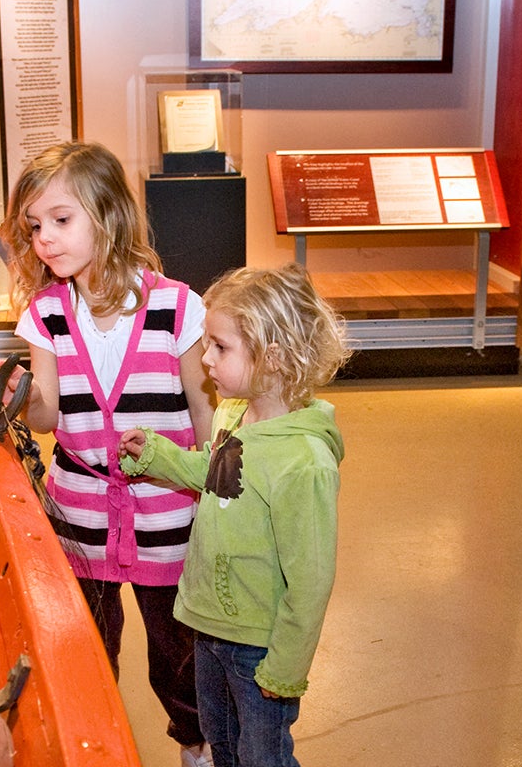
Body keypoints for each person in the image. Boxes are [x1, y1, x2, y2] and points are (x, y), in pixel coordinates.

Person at [0, 141, 216, 767]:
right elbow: (47, 418)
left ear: (110, 216)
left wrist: (218, 497)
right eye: (34, 226)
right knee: (89, 651)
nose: (45, 239)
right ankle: (95, 750)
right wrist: (21, 399)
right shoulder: (46, 314)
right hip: (80, 516)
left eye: (62, 220)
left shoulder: (177, 307)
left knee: (178, 655)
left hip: (168, 518)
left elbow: (204, 414)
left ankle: (197, 748)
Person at [118, 263, 350, 767]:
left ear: (275, 358)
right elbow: (214, 471)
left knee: (261, 756)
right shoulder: (232, 414)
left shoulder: (302, 462)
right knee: (222, 745)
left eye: (221, 347)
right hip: (210, 628)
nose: (205, 359)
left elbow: (311, 579)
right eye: (208, 343)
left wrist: (285, 668)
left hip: (259, 650)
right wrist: (157, 454)